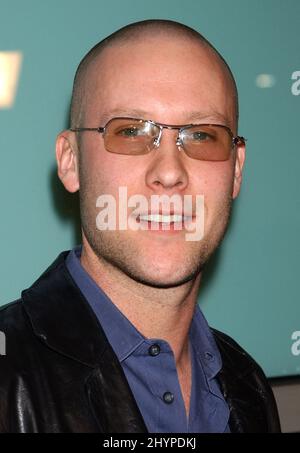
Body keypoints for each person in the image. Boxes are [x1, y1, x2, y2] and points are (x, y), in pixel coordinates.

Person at [0, 19, 281, 433]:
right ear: (71, 160)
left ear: (236, 171)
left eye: (202, 135)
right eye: (131, 131)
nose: (169, 173)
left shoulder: (248, 385)